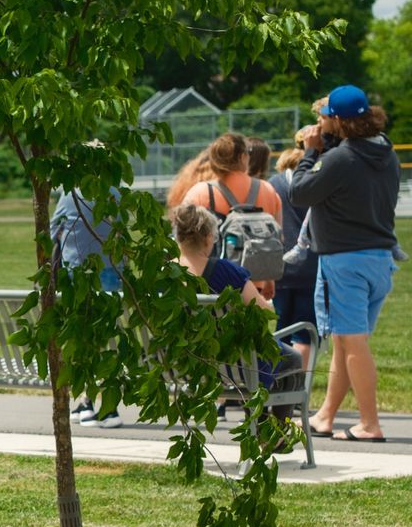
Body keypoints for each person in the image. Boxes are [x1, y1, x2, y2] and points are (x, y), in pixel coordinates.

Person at [294, 86, 401, 443]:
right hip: (379, 259)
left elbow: (300, 193)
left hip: (344, 262)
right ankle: (325, 416)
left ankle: (370, 424)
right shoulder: (386, 152)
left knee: (352, 344)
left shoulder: (341, 159)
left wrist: (310, 153)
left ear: (338, 120)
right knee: (344, 340)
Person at [169, 202, 306, 404]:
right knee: (291, 358)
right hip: (234, 363)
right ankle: (272, 429)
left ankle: (265, 427)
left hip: (181, 361)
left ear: (178, 237)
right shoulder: (225, 272)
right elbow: (263, 311)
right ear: (208, 238)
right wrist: (268, 303)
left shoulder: (163, 274)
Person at [51, 185, 123, 424]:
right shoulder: (115, 193)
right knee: (104, 340)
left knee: (82, 339)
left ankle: (85, 400)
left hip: (76, 275)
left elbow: (54, 231)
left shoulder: (70, 194)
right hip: (110, 274)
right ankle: (102, 404)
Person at [268, 146, 317, 364]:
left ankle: (278, 378)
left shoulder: (273, 185)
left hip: (281, 265)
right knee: (305, 330)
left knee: (281, 327)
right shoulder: (315, 184)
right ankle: (298, 379)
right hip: (311, 265)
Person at [182, 132, 283, 226]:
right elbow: (279, 236)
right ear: (242, 157)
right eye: (248, 152)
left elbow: (183, 232)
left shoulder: (200, 192)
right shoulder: (269, 191)